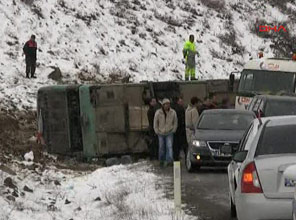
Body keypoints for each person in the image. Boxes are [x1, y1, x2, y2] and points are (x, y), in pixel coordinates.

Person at [154, 98, 178, 166]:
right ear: (163, 105)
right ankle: (161, 160)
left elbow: (175, 122)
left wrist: (173, 130)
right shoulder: (158, 112)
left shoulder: (173, 112)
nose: (168, 105)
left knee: (169, 146)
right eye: (166, 104)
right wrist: (156, 131)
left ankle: (169, 160)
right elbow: (155, 122)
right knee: (161, 147)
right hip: (160, 132)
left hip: (169, 132)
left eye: (169, 104)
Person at [172, 97, 187, 161]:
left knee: (176, 145)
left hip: (176, 129)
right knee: (183, 144)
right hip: (181, 129)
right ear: (178, 102)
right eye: (181, 101)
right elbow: (182, 119)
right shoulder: (180, 109)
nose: (182, 103)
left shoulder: (173, 109)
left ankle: (176, 157)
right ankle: (186, 156)